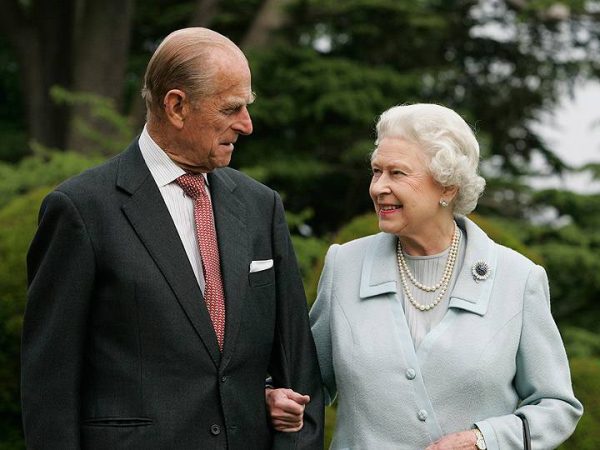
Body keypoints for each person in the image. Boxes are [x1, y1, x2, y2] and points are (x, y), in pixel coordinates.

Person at [21, 27, 323, 449]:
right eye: (231, 108)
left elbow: (298, 369)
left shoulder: (261, 206)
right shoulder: (80, 210)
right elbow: (48, 385)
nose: (247, 125)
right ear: (177, 106)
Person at [266, 103, 582, 449]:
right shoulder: (345, 265)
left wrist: (482, 440)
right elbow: (305, 381)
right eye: (376, 171)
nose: (378, 187)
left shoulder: (518, 279)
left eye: (397, 173)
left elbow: (556, 407)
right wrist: (276, 396)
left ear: (447, 187)